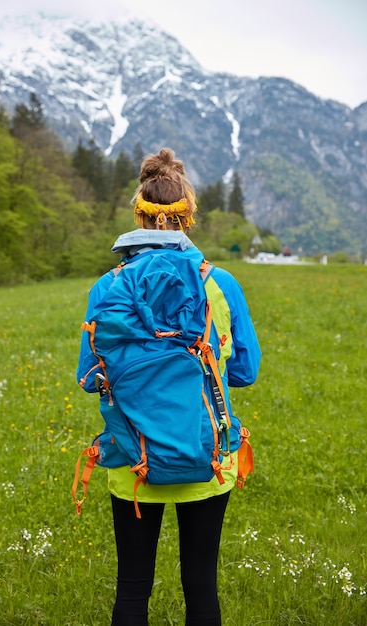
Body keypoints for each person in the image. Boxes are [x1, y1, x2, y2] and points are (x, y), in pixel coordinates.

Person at [77, 148, 261, 626]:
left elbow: (91, 376)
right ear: (189, 217)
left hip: (131, 459)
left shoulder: (107, 286)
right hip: (207, 457)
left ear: (138, 213)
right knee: (201, 587)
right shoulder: (220, 283)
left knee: (132, 589)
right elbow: (244, 372)